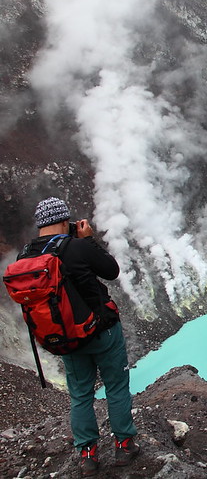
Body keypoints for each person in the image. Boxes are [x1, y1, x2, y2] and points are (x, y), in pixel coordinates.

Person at [22, 197, 140, 476]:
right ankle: (123, 445)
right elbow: (111, 270)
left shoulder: (25, 256)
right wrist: (88, 240)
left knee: (80, 394)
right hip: (102, 332)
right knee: (116, 386)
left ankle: (87, 454)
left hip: (64, 339)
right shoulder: (76, 247)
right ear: (65, 221)